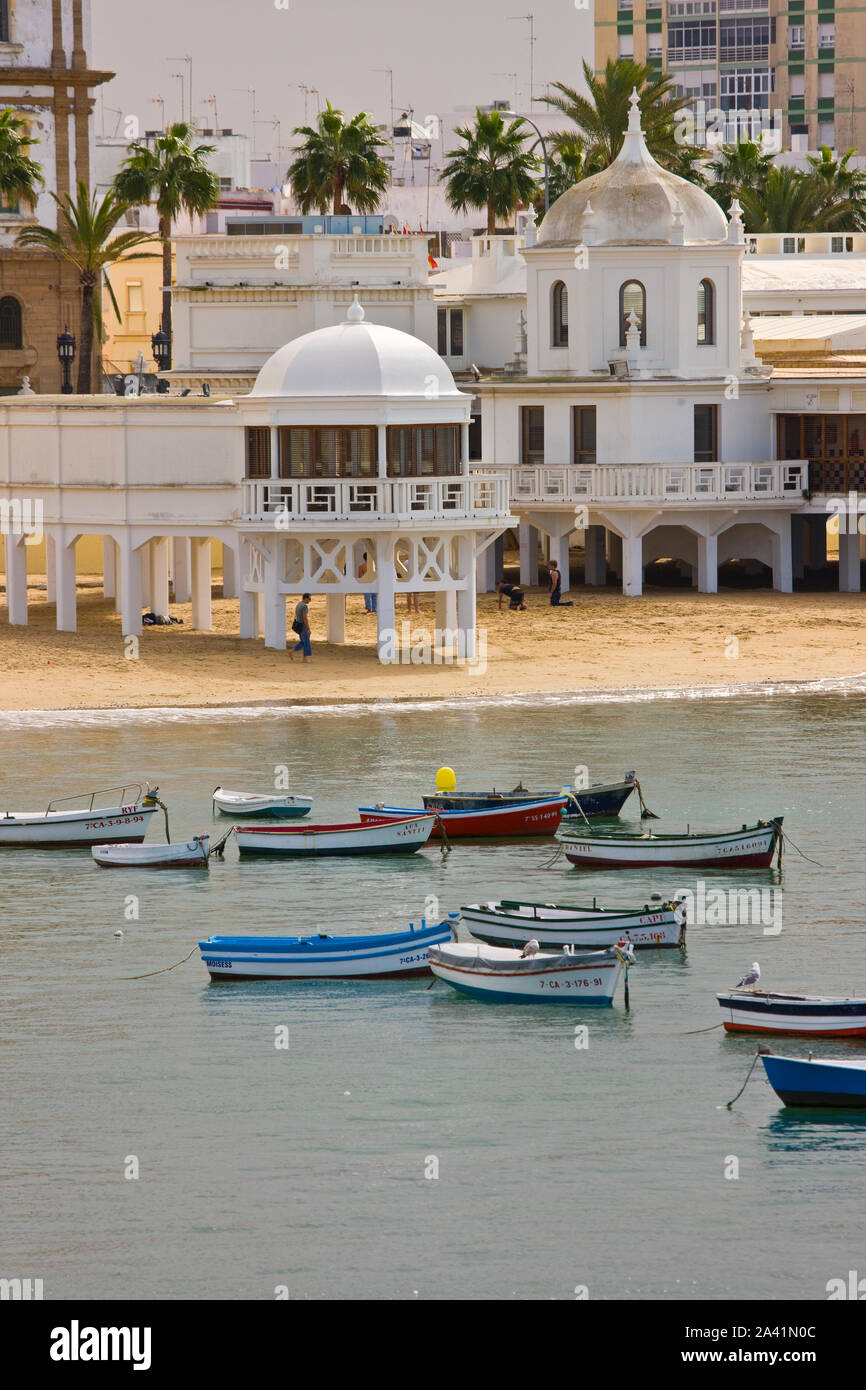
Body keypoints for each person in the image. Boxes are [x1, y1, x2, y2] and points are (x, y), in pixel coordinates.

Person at [290, 593, 312, 661]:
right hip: (303, 626)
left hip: (298, 625)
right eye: (309, 599)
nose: (310, 600)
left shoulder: (299, 604)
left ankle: (291, 652)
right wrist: (308, 628)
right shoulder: (304, 606)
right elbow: (305, 618)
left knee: (303, 641)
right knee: (306, 641)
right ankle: (304, 658)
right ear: (305, 598)